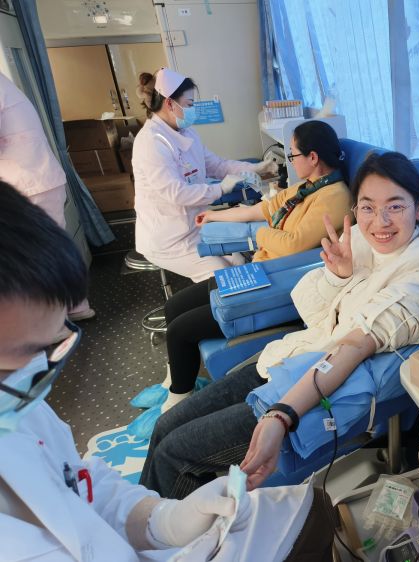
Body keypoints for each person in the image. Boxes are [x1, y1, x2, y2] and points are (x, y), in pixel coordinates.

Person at [0, 180, 334, 561]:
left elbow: (82, 485)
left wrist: (163, 521)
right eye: (21, 356)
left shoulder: (22, 412)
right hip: (281, 358)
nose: (39, 371)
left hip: (299, 365)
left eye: (51, 345)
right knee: (170, 427)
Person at [140, 152, 419, 498]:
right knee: (165, 426)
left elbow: (353, 347)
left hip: (304, 393)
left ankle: (168, 530)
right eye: (368, 207)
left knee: (173, 456)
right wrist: (337, 277)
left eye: (395, 206)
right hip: (286, 360)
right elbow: (311, 312)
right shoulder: (359, 241)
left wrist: (281, 414)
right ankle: (169, 516)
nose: (380, 221)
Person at [132, 120, 352, 417]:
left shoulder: (335, 197)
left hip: (272, 286)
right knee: (174, 307)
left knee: (180, 331)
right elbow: (263, 209)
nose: (290, 161)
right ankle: (176, 382)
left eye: (293, 154)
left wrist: (258, 234)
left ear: (313, 157)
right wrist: (214, 216)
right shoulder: (307, 188)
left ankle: (175, 404)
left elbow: (293, 244)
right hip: (257, 272)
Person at [132, 67, 276, 282]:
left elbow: (217, 165)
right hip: (169, 239)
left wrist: (255, 168)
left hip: (195, 226)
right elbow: (177, 193)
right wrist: (220, 189)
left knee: (239, 262)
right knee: (226, 276)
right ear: (170, 103)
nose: (193, 110)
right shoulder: (151, 143)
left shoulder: (187, 132)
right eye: (189, 104)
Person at [0, 71, 95, 321]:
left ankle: (56, 322)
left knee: (38, 258)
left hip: (29, 184)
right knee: (53, 251)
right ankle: (74, 308)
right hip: (36, 180)